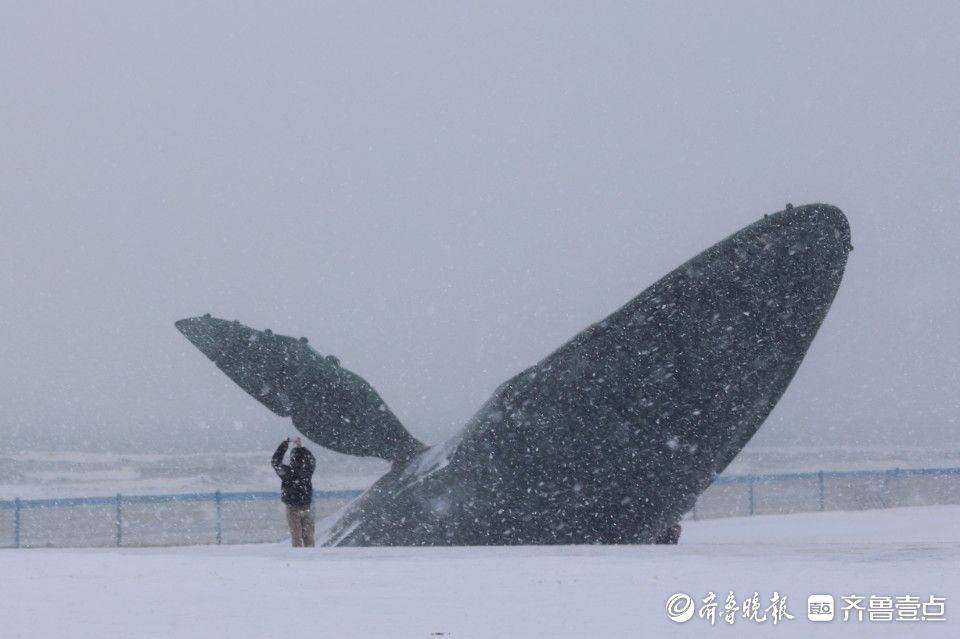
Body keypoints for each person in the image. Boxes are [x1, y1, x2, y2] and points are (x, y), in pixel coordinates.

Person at [271, 436, 317, 547]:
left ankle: (299, 560)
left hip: (293, 508)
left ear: (292, 458)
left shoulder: (288, 472)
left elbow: (275, 462)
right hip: (306, 507)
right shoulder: (307, 471)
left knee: (297, 538)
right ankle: (311, 559)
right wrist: (301, 447)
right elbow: (312, 460)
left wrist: (284, 445)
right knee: (309, 537)